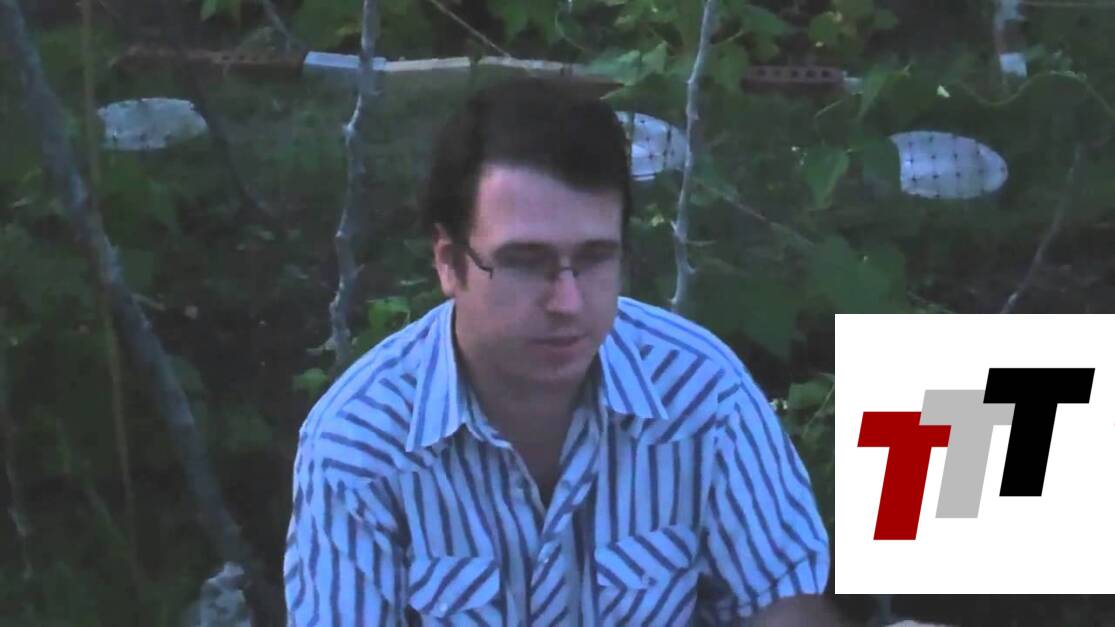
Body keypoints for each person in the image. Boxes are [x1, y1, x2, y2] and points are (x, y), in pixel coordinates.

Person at [284, 76, 835, 626]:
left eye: (595, 258)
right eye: (526, 263)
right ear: (449, 262)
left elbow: (783, 601)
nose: (567, 302)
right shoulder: (358, 443)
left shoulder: (699, 390)